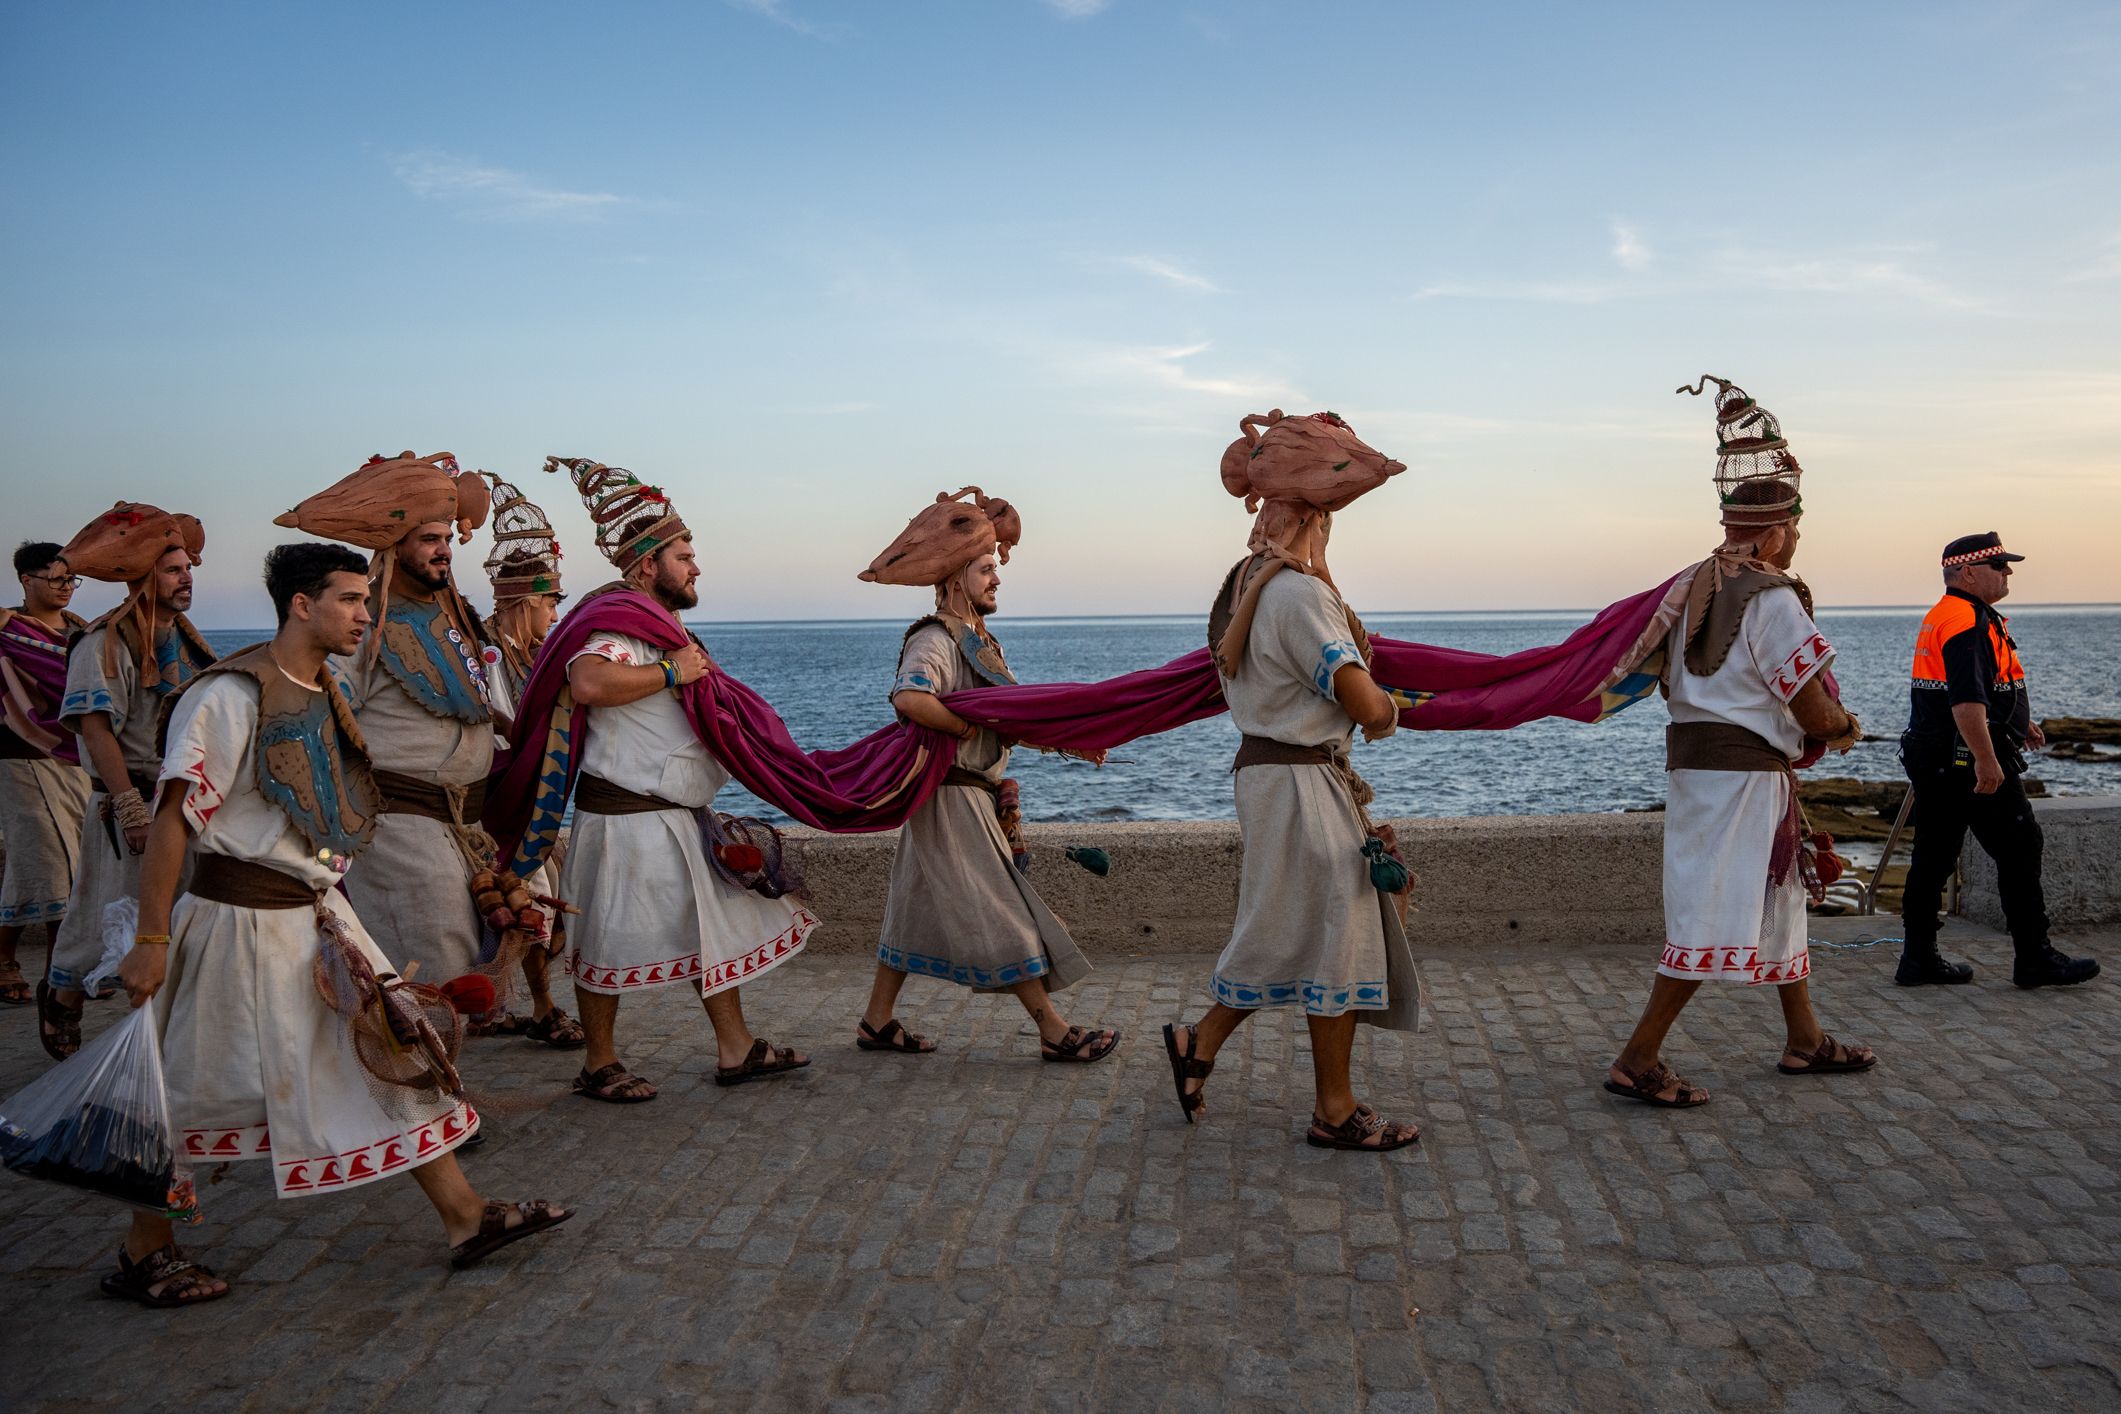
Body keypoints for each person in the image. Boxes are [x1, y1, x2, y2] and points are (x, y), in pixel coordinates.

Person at [103, 542, 570, 1307]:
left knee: (396, 1052)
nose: (365, 613)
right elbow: (172, 825)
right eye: (352, 600)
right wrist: (152, 943)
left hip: (316, 920)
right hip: (235, 923)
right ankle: (144, 1250)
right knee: (189, 1097)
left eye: (365, 599)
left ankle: (465, 1217)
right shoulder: (228, 697)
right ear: (301, 604)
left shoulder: (323, 689)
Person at [505, 457, 818, 1102]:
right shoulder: (622, 625)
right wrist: (673, 672)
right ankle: (598, 1062)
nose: (695, 566)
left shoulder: (658, 627)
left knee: (714, 931)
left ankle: (736, 1049)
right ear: (648, 565)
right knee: (605, 942)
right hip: (625, 822)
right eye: (683, 555)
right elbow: (587, 680)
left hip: (676, 817)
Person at [1606, 376, 1872, 1110]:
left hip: (1703, 774)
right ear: (1777, 528)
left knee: (1776, 903)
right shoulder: (1772, 595)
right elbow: (1811, 707)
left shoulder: (1691, 585)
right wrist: (1844, 731)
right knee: (1710, 914)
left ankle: (1804, 1038)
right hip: (1741, 783)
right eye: (1796, 529)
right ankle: (1638, 1056)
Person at [1162, 410, 1423, 1152]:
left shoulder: (1246, 582)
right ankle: (1334, 1110)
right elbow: (1359, 697)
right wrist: (1388, 712)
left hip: (1268, 776)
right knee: (1333, 940)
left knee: (1288, 931)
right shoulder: (1298, 596)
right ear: (1318, 520)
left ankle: (1198, 1044)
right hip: (1303, 783)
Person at [852, 487, 1117, 1062]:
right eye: (985, 569)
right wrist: (966, 731)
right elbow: (910, 698)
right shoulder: (936, 638)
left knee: (910, 908)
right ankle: (1052, 1030)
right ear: (954, 576)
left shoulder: (978, 641)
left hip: (957, 794)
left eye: (996, 568)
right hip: (952, 798)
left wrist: (1071, 740)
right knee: (1004, 908)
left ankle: (876, 1023)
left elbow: (1011, 718)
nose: (996, 580)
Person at [271, 454, 525, 1013]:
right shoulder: (365, 621)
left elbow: (467, 705)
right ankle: (411, 1096)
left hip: (461, 826)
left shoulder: (454, 612)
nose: (443, 548)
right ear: (393, 543)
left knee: (461, 968)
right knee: (429, 969)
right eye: (429, 537)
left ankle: (430, 1091)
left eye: (446, 537)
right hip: (399, 826)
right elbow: (322, 716)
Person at [38, 504, 214, 1060]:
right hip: (127, 805)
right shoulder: (103, 643)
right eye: (171, 570)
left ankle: (165, 1033)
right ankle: (62, 997)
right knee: (100, 914)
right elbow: (96, 729)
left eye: (188, 568)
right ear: (142, 578)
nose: (185, 578)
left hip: (175, 802)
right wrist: (131, 807)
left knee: (172, 915)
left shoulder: (187, 643)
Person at [1896, 533, 2098, 989]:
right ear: (1968, 572)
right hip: (1966, 760)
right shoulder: (1964, 621)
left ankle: (1918, 959)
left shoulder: (1952, 615)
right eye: (1999, 565)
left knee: (1933, 856)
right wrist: (1988, 759)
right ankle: (2034, 958)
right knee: (2021, 846)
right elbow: (1965, 701)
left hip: (1940, 759)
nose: (2008, 572)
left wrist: (2015, 721)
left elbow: (1976, 688)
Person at [470, 473, 585, 1045]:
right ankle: (540, 1007)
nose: (555, 616)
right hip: (495, 795)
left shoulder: (539, 654)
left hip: (529, 794)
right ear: (525, 602)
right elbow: (493, 718)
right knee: (528, 891)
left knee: (544, 888)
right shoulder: (488, 651)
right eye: (549, 604)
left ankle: (514, 1001)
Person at [0, 542, 94, 1004]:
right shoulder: (6, 629)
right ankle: (63, 979)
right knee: (53, 863)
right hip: (18, 756)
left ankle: (6, 959)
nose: (66, 589)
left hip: (76, 756)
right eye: (56, 580)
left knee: (39, 862)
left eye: (71, 580)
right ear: (26, 580)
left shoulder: (84, 633)